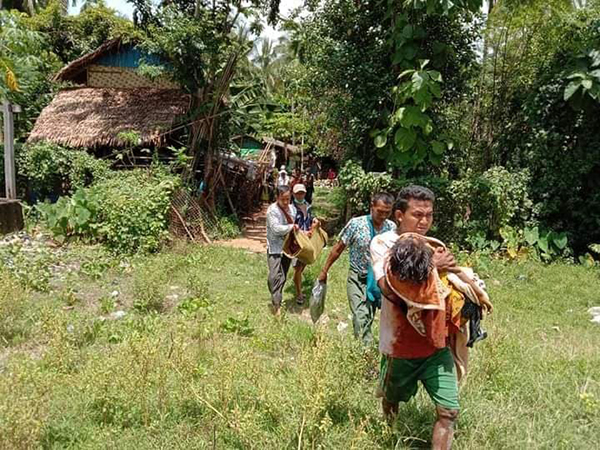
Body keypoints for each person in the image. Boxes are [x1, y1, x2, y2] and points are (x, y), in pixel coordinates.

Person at [370, 185, 461, 450]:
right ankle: (389, 439)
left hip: (435, 345)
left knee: (448, 411)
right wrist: (434, 266)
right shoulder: (384, 243)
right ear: (399, 215)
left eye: (429, 215)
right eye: (417, 215)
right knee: (391, 400)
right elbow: (388, 289)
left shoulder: (433, 246)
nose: (424, 222)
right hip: (399, 346)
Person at [317, 192, 396, 344]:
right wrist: (324, 271)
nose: (383, 216)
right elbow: (338, 248)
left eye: (387, 212)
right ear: (371, 207)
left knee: (368, 316)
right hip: (357, 278)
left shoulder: (391, 228)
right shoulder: (356, 224)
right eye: (380, 211)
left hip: (378, 281)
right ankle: (365, 352)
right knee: (360, 315)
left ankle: (363, 346)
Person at [266, 186, 298, 316]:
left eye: (288, 199)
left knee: (283, 275)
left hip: (287, 248)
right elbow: (275, 229)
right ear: (277, 198)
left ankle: (277, 304)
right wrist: (291, 227)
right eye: (283, 199)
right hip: (274, 247)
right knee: (274, 277)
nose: (286, 202)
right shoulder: (272, 211)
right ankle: (276, 296)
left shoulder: (292, 209)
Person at [291, 183, 317, 304]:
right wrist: (302, 232)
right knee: (298, 267)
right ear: (293, 194)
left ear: (305, 193)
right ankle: (299, 294)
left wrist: (314, 222)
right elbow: (291, 226)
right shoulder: (291, 208)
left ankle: (297, 282)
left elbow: (311, 219)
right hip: (297, 241)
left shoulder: (308, 206)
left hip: (307, 240)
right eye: (297, 193)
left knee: (302, 265)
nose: (300, 195)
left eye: (302, 193)